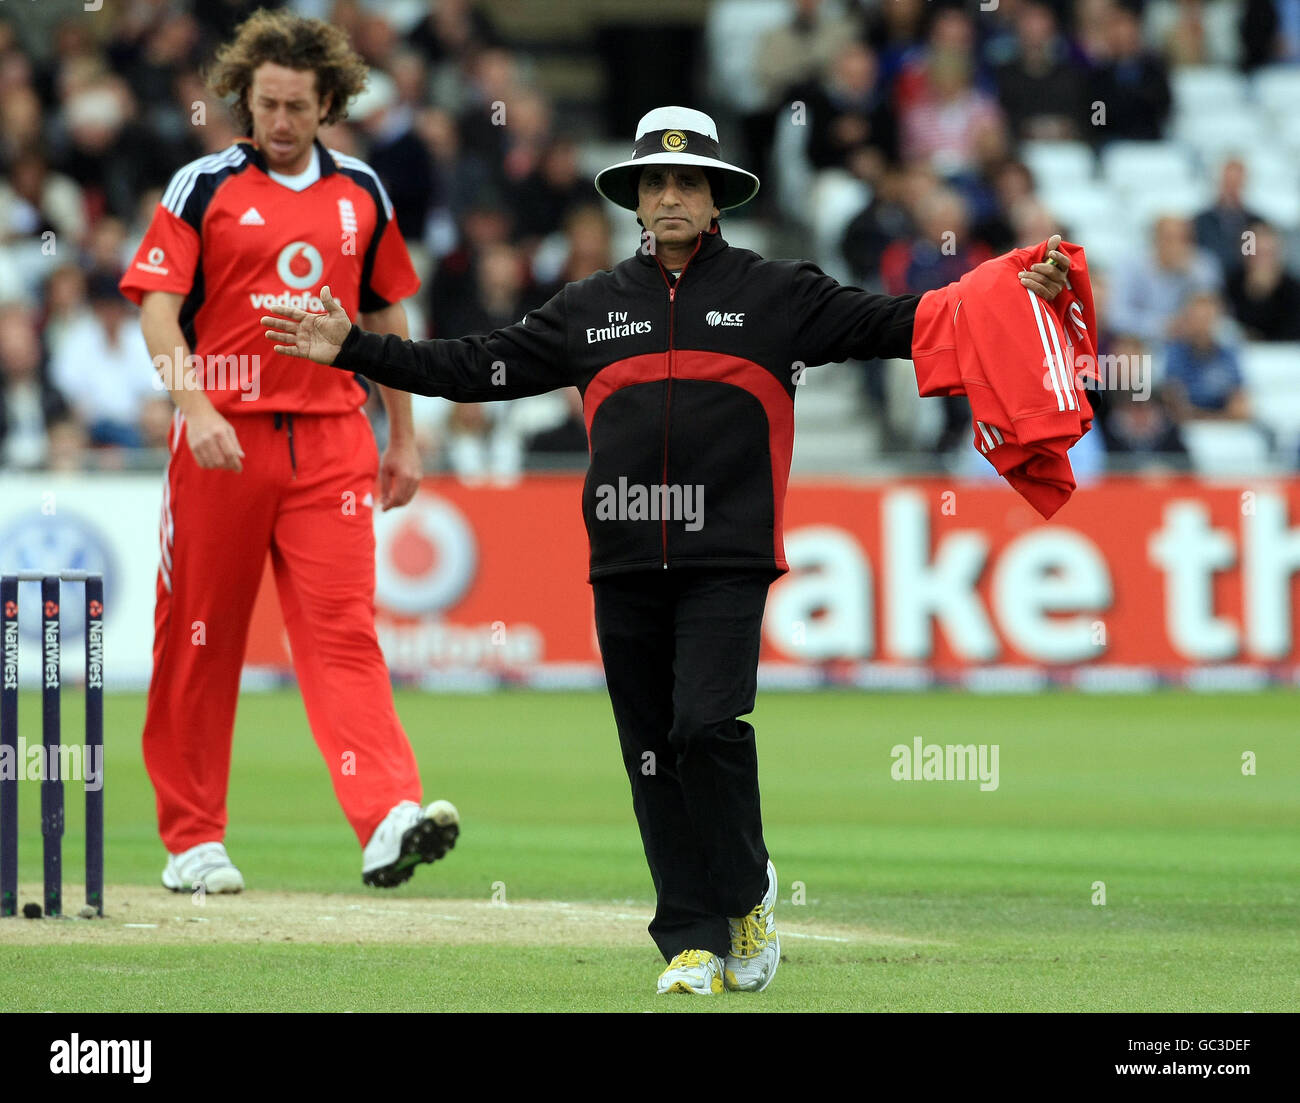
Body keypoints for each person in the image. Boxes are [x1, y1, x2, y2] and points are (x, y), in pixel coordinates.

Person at [262, 106, 1070, 995]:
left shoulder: (777, 293)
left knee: (704, 727)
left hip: (727, 559)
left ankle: (747, 891)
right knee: (649, 750)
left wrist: (1009, 288)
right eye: (656, 182)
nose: (672, 195)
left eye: (688, 181)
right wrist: (354, 349)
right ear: (637, 200)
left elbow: (904, 320)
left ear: (717, 197)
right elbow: (474, 366)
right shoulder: (591, 305)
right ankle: (690, 937)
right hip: (621, 564)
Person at [118, 10, 459, 896]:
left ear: (329, 104)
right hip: (222, 439)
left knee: (344, 635)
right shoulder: (203, 184)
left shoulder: (363, 194)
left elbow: (386, 316)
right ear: (243, 97)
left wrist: (407, 434)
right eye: (263, 103)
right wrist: (193, 406)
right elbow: (157, 304)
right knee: (201, 640)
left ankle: (387, 815)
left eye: (294, 106)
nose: (275, 120)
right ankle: (192, 839)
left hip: (333, 442)